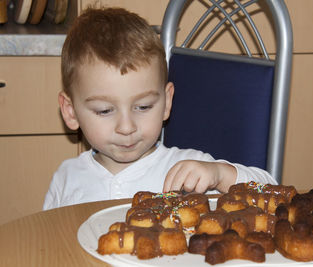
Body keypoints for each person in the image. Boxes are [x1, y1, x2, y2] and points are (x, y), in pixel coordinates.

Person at [43, 7, 276, 210]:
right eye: (105, 110)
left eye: (143, 106)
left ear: (166, 102)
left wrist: (221, 175)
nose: (127, 127)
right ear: (71, 112)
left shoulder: (189, 171)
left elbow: (273, 193)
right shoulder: (66, 178)